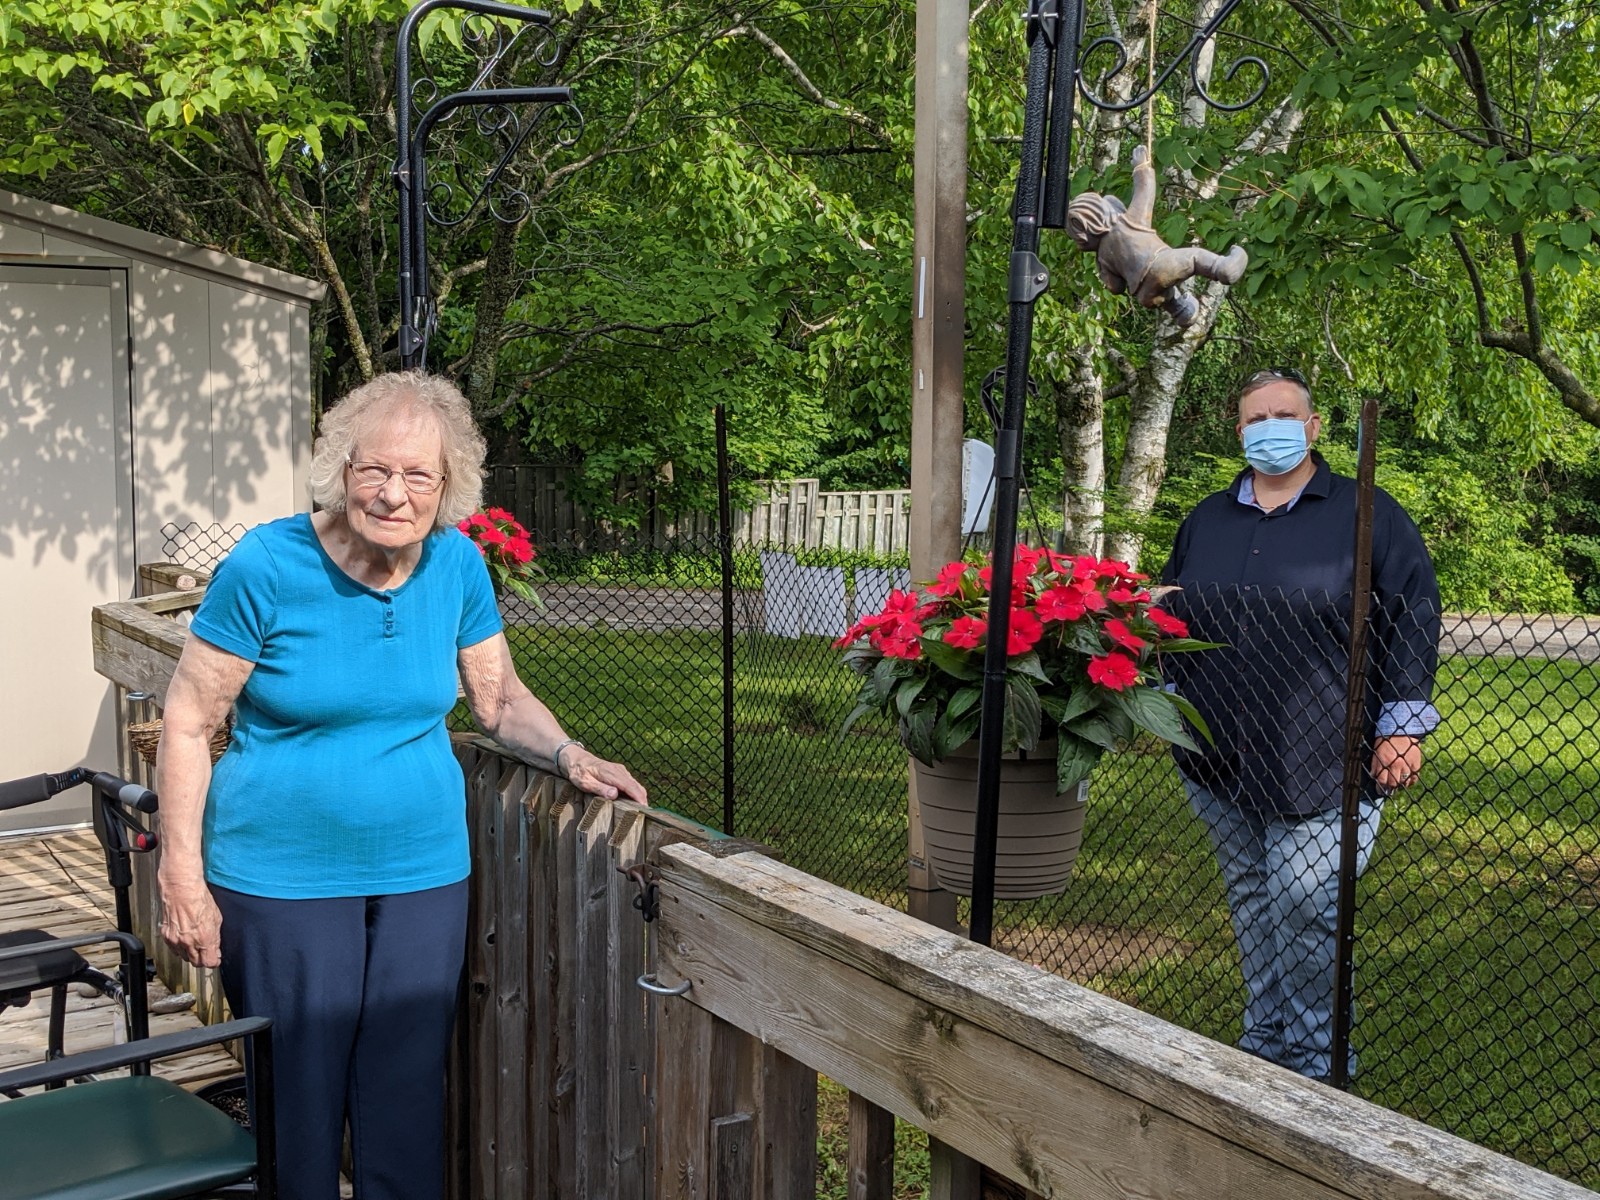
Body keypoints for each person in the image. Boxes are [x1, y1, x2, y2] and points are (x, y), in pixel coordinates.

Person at [155, 371, 647, 1200]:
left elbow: (497, 698)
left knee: (407, 1093)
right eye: (373, 470)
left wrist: (570, 755)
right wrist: (179, 873)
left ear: (448, 486)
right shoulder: (268, 565)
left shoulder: (456, 565)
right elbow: (187, 719)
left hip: (423, 872)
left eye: (418, 476)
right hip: (282, 876)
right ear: (340, 472)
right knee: (299, 1101)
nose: (392, 494)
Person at [1159, 367, 1440, 1083]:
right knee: (1254, 899)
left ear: (1315, 428)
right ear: (1239, 431)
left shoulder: (1367, 513)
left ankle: (1320, 1065)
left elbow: (1414, 615)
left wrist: (1401, 725)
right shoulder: (1207, 518)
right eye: (1256, 418)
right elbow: (1171, 611)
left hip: (1324, 753)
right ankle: (1267, 1045)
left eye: (1286, 414)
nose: (1271, 428)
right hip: (1217, 753)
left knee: (1305, 903)